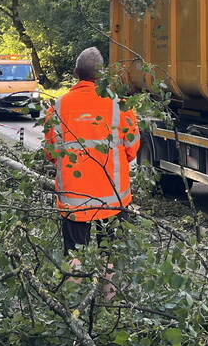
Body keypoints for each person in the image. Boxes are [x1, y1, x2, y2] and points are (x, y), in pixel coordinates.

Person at [43, 47, 140, 260]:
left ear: (76, 73)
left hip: (74, 201)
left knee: (75, 258)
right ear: (102, 74)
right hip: (114, 199)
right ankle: (108, 293)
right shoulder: (121, 106)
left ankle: (76, 292)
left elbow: (51, 153)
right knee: (110, 259)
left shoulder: (58, 107)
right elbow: (132, 151)